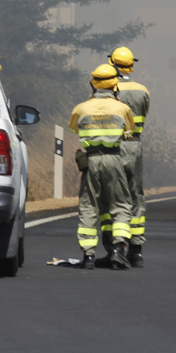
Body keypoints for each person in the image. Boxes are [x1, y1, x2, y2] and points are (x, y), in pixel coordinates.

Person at [68, 64, 135, 270]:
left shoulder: (81, 108)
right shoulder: (122, 108)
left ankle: (88, 257)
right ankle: (118, 250)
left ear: (93, 84)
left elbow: (73, 127)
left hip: (91, 160)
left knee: (89, 207)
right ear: (115, 85)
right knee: (121, 205)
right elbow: (129, 131)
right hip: (113, 159)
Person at [107, 46, 150, 268]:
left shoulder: (109, 88)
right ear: (131, 65)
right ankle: (137, 250)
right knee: (136, 197)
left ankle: (116, 247)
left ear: (112, 63)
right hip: (135, 146)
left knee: (114, 198)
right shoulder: (143, 91)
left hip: (114, 147)